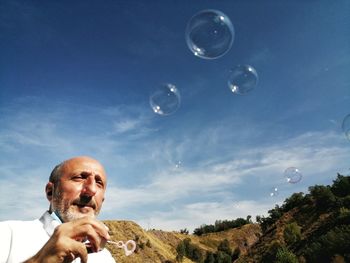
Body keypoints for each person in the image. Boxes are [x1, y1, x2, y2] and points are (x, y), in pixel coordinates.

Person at [0, 156, 116, 263]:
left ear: (102, 201)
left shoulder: (105, 257)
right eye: (79, 178)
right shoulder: (6, 234)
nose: (91, 190)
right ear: (50, 191)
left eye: (99, 183)